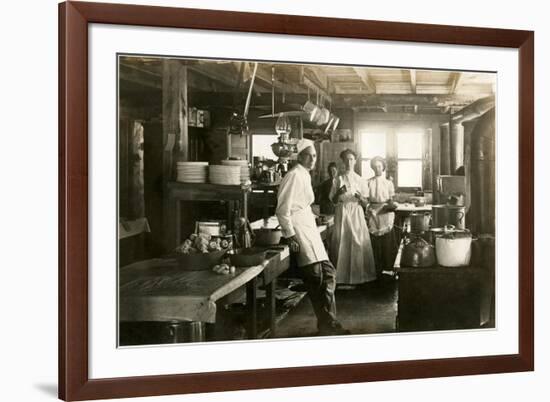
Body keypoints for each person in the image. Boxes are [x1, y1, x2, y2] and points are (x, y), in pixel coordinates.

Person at [276, 139, 349, 336]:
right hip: (299, 229)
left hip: (309, 228)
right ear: (300, 156)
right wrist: (290, 236)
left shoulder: (305, 175)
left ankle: (328, 322)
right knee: (316, 277)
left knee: (329, 274)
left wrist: (316, 218)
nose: (312, 159)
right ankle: (328, 324)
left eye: (315, 156)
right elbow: (283, 210)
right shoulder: (293, 175)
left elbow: (303, 204)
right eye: (309, 155)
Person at [329, 149, 376, 285]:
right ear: (343, 161)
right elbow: (333, 200)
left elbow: (366, 203)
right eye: (346, 159)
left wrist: (360, 197)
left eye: (351, 159)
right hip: (342, 211)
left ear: (355, 161)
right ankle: (341, 278)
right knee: (342, 241)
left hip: (356, 212)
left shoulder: (361, 180)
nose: (349, 162)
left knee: (357, 241)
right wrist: (338, 193)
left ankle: (358, 277)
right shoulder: (338, 179)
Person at [366, 156, 398, 278]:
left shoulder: (388, 183)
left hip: (385, 212)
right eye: (375, 167)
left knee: (388, 241)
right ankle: (376, 269)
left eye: (379, 166)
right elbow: (366, 200)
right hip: (373, 211)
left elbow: (391, 200)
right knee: (375, 241)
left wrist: (390, 206)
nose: (377, 169)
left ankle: (390, 268)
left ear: (383, 167)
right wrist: (370, 209)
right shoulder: (368, 182)